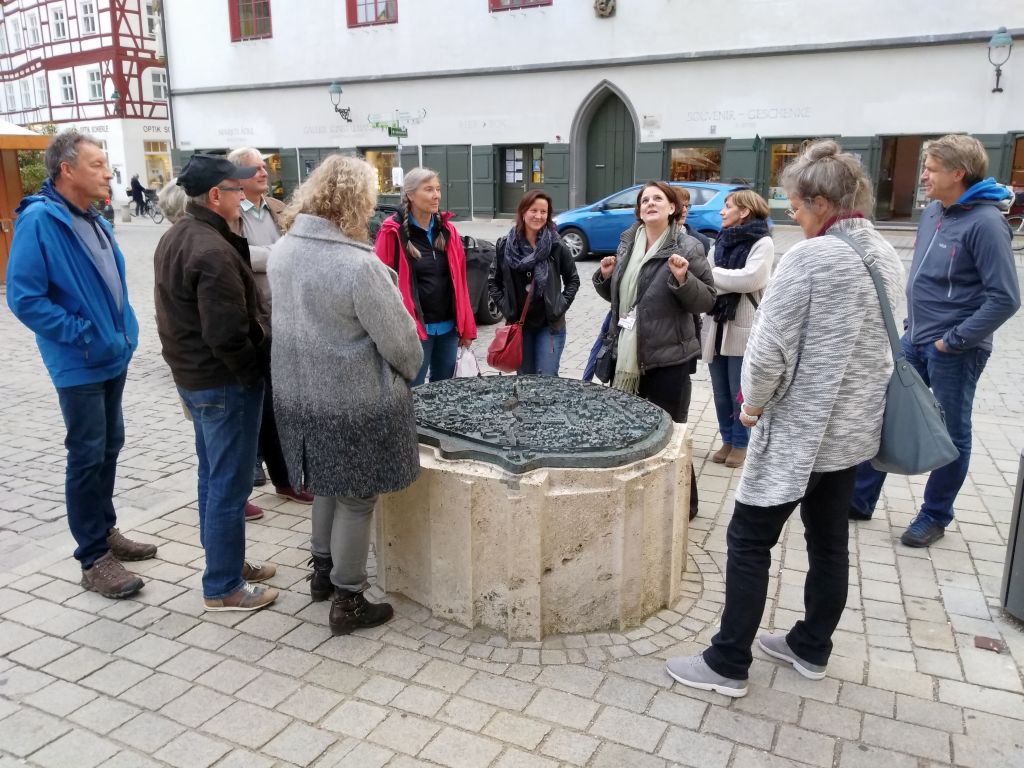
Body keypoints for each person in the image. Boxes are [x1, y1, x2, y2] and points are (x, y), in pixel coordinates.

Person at [665, 140, 904, 698]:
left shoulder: (811, 258)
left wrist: (750, 405)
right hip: (852, 431)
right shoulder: (885, 254)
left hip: (799, 430)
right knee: (828, 541)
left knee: (748, 538)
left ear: (821, 202)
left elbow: (767, 352)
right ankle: (811, 645)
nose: (792, 218)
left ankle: (727, 663)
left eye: (795, 207)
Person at [269, 155, 423, 635]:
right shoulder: (358, 266)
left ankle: (322, 573)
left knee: (328, 483)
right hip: (353, 399)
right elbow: (402, 346)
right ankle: (349, 599)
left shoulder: (284, 249)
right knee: (357, 496)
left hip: (299, 394)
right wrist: (406, 373)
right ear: (358, 202)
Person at [849, 135, 1021, 546]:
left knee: (952, 433)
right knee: (884, 410)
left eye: (931, 168)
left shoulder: (986, 223)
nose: (923, 175)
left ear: (957, 173)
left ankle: (935, 515)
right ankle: (859, 499)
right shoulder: (936, 213)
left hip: (954, 349)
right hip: (916, 338)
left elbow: (1006, 298)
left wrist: (955, 339)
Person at [6, 128, 155, 599]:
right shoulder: (41, 221)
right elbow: (24, 297)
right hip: (80, 360)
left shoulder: (92, 218)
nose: (107, 172)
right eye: (97, 164)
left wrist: (124, 331)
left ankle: (105, 530)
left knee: (110, 445)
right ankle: (93, 558)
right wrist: (81, 332)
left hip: (111, 353)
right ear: (67, 169)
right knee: (87, 452)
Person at [154, 154, 279, 612]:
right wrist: (252, 376)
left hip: (198, 379)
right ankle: (223, 584)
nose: (243, 195)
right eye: (236, 188)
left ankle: (227, 563)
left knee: (212, 477)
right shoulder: (209, 248)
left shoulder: (183, 236)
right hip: (222, 383)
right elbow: (227, 332)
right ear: (214, 196)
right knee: (228, 485)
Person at [593, 180, 715, 521]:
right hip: (627, 354)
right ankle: (640, 498)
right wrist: (605, 278)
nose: (649, 203)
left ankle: (685, 504)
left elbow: (707, 299)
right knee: (629, 430)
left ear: (672, 208)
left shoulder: (688, 247)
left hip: (667, 358)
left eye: (657, 199)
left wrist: (682, 279)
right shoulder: (627, 243)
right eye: (644, 200)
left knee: (669, 434)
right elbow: (626, 302)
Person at [226, 146, 313, 509]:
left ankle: (286, 479)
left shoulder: (278, 209)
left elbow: (300, 248)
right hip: (250, 320)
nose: (264, 173)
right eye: (255, 169)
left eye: (264, 167)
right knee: (247, 408)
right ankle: (242, 487)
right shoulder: (228, 213)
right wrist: (278, 255)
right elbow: (236, 254)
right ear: (237, 178)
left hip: (286, 317)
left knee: (281, 405)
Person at [375, 167, 477, 385]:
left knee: (445, 392)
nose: (436, 195)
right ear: (410, 195)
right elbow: (381, 287)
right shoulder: (392, 232)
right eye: (429, 189)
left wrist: (466, 327)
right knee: (413, 393)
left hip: (449, 329)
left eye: (438, 189)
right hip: (414, 332)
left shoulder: (447, 230)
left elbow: (460, 284)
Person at [701, 189, 775, 469]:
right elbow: (708, 274)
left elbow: (751, 279)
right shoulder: (720, 239)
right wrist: (717, 278)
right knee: (720, 392)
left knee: (739, 392)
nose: (722, 211)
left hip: (743, 327)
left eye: (727, 206)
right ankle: (728, 440)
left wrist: (713, 277)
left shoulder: (762, 242)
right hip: (717, 324)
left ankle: (742, 444)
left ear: (744, 211)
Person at [488, 190, 580, 375]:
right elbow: (493, 282)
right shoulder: (505, 245)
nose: (538, 216)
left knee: (547, 377)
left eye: (543, 212)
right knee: (525, 379)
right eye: (533, 210)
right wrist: (507, 308)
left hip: (549, 325)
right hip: (520, 327)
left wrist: (559, 306)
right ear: (523, 212)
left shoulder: (556, 245)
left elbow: (573, 280)